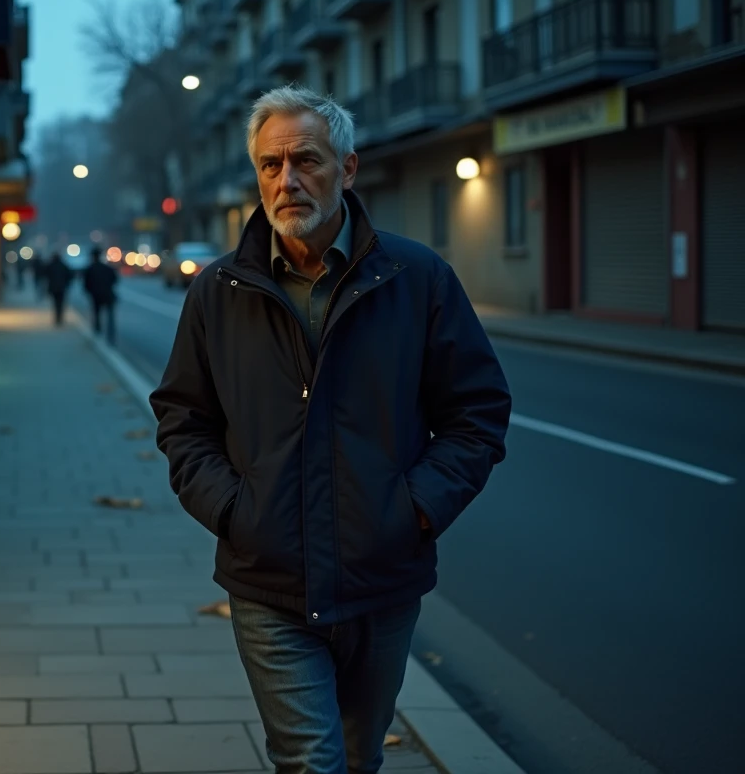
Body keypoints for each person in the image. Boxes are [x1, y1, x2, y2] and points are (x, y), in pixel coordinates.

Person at [149, 85, 511, 773]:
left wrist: (415, 509)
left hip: (382, 578)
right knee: (311, 762)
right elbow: (183, 418)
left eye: (306, 160)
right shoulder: (218, 291)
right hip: (268, 580)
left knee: (357, 756)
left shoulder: (417, 279)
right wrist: (232, 511)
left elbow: (478, 411)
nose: (286, 180)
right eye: (270, 164)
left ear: (346, 169)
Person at [82, 246, 118, 344]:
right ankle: (110, 337)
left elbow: (86, 285)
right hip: (108, 295)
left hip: (96, 296)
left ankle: (97, 335)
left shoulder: (90, 269)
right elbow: (114, 280)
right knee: (110, 317)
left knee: (96, 315)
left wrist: (91, 291)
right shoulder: (107, 268)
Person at [44, 252, 73, 326]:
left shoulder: (51, 265)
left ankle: (57, 318)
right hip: (62, 288)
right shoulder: (63, 266)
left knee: (55, 303)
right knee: (60, 303)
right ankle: (60, 318)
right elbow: (69, 276)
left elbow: (46, 274)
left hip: (53, 288)